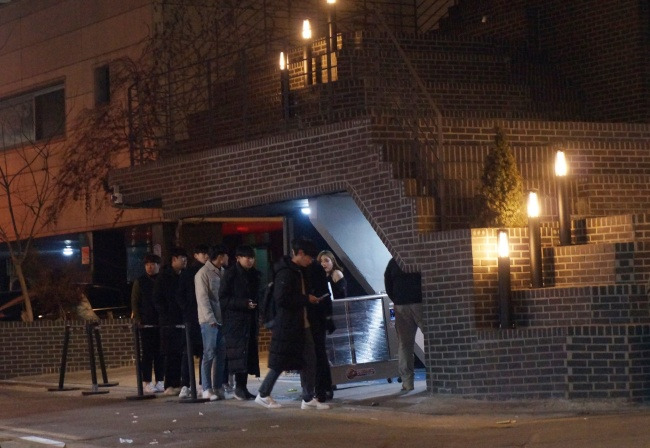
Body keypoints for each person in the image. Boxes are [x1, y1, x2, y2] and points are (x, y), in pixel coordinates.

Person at [255, 237, 330, 410]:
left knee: (309, 361)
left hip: (302, 324)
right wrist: (306, 299)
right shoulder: (286, 272)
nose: (311, 261)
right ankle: (263, 394)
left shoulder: (298, 270)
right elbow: (281, 299)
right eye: (309, 257)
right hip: (288, 325)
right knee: (280, 362)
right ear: (300, 253)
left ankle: (307, 397)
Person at [218, 245, 261, 401]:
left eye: (251, 258)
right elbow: (223, 299)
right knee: (238, 354)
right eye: (246, 257)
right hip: (235, 322)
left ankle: (243, 388)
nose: (249, 260)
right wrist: (243, 303)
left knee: (247, 354)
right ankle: (238, 388)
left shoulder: (255, 275)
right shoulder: (230, 275)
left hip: (250, 320)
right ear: (238, 258)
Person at [384, 257, 423, 392]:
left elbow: (388, 284)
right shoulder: (419, 259)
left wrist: (397, 299)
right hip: (421, 304)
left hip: (400, 305)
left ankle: (407, 383)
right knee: (433, 340)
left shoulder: (393, 262)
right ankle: (439, 378)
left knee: (404, 344)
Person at [195, 244, 228, 401]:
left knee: (221, 354)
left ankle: (217, 386)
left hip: (222, 319)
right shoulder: (203, 273)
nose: (226, 259)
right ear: (220, 257)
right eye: (225, 256)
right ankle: (206, 388)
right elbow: (203, 298)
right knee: (208, 353)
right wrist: (210, 319)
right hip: (209, 321)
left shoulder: (222, 272)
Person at [153, 247, 188, 395]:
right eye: (182, 259)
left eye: (186, 260)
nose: (185, 262)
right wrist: (165, 316)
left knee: (182, 353)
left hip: (182, 320)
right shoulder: (164, 277)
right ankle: (169, 384)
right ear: (174, 260)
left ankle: (180, 383)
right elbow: (157, 299)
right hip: (168, 322)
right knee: (170, 353)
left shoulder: (185, 276)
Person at [175, 244, 209, 398]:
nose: (205, 256)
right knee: (188, 352)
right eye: (202, 253)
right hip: (191, 317)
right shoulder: (188, 273)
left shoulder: (209, 271)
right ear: (195, 255)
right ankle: (186, 384)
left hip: (203, 316)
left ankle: (202, 383)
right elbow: (180, 295)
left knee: (204, 352)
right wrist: (187, 309)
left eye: (207, 253)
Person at [131, 253, 164, 393]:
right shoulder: (140, 281)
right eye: (147, 265)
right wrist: (138, 319)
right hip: (146, 322)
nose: (149, 267)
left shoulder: (163, 280)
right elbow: (135, 302)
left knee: (160, 353)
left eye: (152, 264)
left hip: (161, 321)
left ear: (158, 265)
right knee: (147, 353)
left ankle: (160, 380)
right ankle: (147, 381)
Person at [306, 258, 335, 402]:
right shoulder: (317, 270)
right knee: (320, 353)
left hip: (313, 317)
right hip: (320, 316)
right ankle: (325, 388)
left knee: (315, 354)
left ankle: (318, 390)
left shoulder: (308, 270)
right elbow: (326, 294)